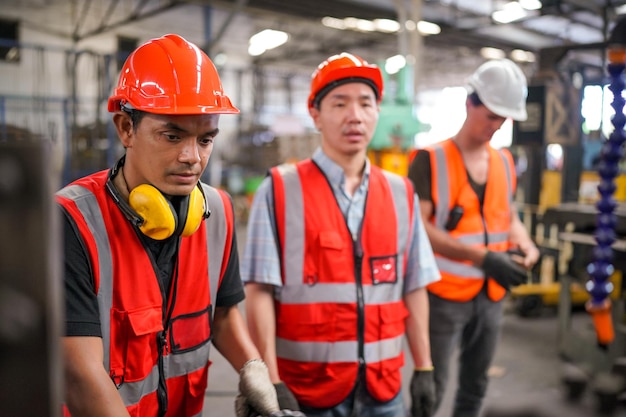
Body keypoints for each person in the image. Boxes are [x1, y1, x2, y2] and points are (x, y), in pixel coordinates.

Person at [56, 34, 281, 417]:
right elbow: (80, 372)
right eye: (172, 136)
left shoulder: (219, 212)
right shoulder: (73, 222)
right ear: (126, 128)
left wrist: (254, 369)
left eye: (206, 139)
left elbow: (224, 315)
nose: (192, 157)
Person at [241, 52, 441, 417]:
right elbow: (259, 291)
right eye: (340, 103)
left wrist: (424, 365)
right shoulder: (281, 189)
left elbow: (414, 285)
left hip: (384, 392)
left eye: (365, 103)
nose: (355, 115)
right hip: (306, 392)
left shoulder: (401, 193)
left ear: (377, 113)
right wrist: (270, 379)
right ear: (315, 115)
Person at [407, 58, 541, 417]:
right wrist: (482, 258)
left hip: (492, 293)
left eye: (504, 118)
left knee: (476, 385)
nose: (497, 126)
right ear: (471, 102)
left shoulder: (504, 162)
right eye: (492, 115)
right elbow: (418, 229)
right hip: (444, 294)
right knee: (431, 388)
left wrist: (526, 245)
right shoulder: (429, 159)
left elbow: (507, 215)